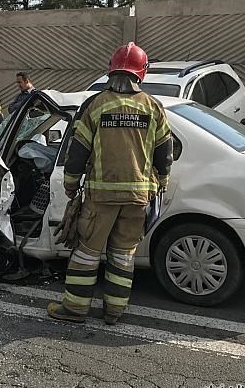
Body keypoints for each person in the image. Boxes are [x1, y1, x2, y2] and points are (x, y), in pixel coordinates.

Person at [47, 42, 173, 325]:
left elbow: (76, 152)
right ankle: (114, 312)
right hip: (138, 198)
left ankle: (75, 309)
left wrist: (70, 185)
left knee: (88, 253)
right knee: (123, 255)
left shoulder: (96, 105)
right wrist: (161, 184)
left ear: (111, 70)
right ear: (142, 73)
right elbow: (165, 154)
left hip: (100, 198)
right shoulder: (154, 108)